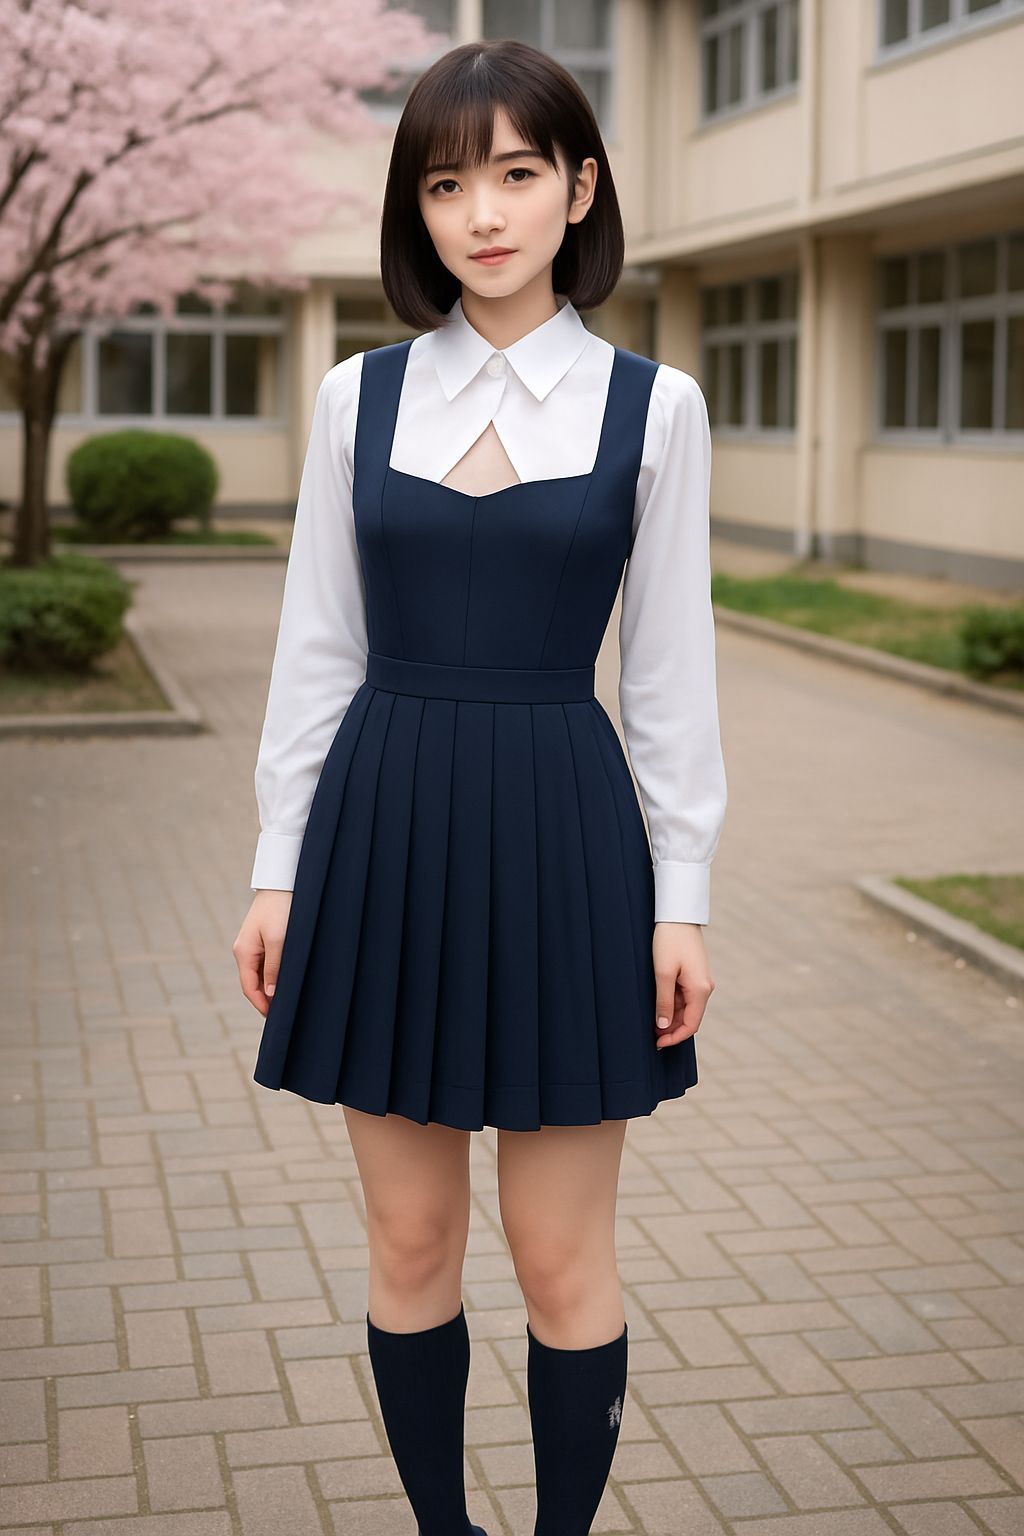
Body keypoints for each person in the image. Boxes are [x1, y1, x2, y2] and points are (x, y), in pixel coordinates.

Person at [232, 36, 727, 1536]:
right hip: (382, 833)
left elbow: (667, 676)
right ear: (419, 210)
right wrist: (276, 862)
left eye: (518, 174)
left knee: (562, 1252)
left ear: (582, 187)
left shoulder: (658, 408)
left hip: (568, 838)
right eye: (448, 182)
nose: (485, 213)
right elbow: (317, 646)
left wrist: (683, 896)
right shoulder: (354, 401)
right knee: (408, 1234)